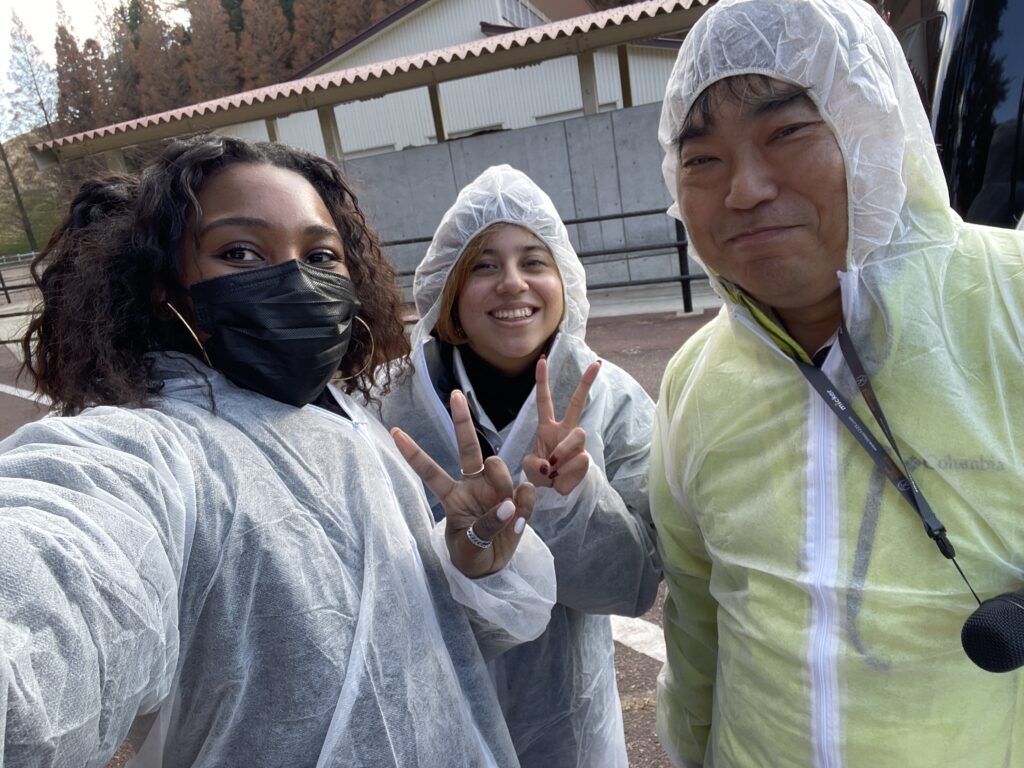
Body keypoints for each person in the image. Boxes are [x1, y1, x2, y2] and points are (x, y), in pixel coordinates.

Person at [1, 135, 557, 767]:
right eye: (240, 251)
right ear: (163, 285)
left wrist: (470, 561)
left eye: (321, 254)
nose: (295, 277)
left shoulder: (343, 417)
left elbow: (427, 643)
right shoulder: (156, 448)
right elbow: (55, 558)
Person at [650, 0, 1024, 766]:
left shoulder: (1011, 308)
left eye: (787, 132)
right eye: (702, 159)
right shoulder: (696, 381)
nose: (745, 189)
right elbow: (696, 620)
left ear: (871, 123)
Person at [380, 164, 661, 766]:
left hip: (568, 729)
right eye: (483, 265)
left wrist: (568, 499)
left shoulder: (612, 401)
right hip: (429, 719)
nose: (512, 283)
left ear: (565, 281)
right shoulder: (389, 403)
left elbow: (632, 586)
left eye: (534, 261)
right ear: (448, 289)